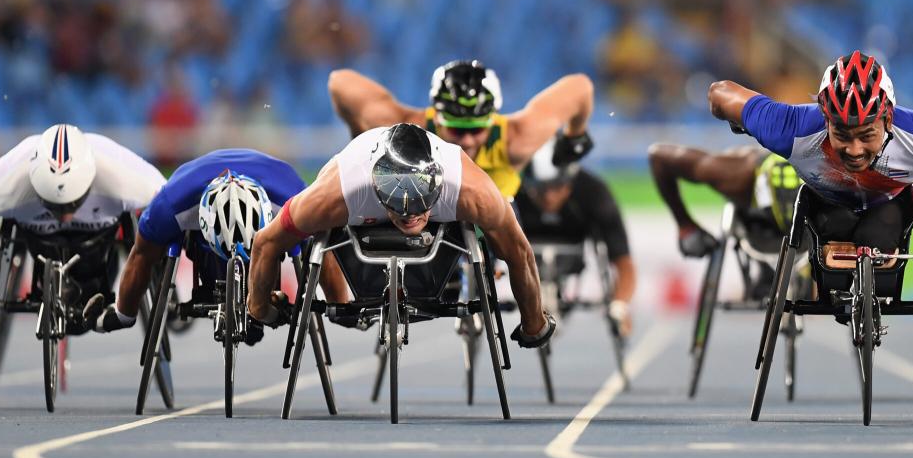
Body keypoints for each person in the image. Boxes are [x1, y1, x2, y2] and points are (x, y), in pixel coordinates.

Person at [247, 123, 556, 348]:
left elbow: (519, 253)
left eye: (420, 205)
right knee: (321, 233)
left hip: (420, 213)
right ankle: (341, 302)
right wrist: (258, 308)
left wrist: (533, 321)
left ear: (438, 187)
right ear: (377, 188)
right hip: (355, 197)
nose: (410, 214)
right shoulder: (336, 193)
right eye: (400, 204)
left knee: (502, 242)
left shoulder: (472, 191)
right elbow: (266, 241)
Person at [708, 50, 913, 254]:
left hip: (889, 207)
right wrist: (741, 119)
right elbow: (719, 92)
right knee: (833, 229)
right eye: (841, 134)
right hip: (824, 208)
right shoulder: (790, 128)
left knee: (877, 238)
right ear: (826, 119)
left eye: (867, 135)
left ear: (888, 119)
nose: (854, 150)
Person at [0, 124, 165, 329]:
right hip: (39, 244)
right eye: (54, 206)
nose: (65, 217)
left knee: (149, 231)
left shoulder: (123, 177)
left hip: (101, 248)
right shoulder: (10, 181)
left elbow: (173, 201)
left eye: (74, 203)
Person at [83, 148, 308, 341]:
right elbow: (141, 255)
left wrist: (339, 304)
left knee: (310, 233)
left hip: (272, 208)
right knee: (152, 246)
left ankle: (260, 295)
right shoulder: (170, 205)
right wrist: (124, 314)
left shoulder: (294, 196)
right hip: (197, 220)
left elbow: (322, 245)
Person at [327, 60, 594, 200]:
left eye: (477, 130)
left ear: (492, 119)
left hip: (494, 223)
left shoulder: (516, 139)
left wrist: (575, 135)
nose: (467, 140)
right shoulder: (410, 126)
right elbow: (339, 82)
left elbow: (581, 87)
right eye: (456, 130)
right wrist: (359, 133)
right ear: (438, 119)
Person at [514, 139, 637, 336]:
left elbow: (623, 261)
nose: (549, 197)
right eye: (540, 188)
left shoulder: (595, 192)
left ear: (570, 180)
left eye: (556, 187)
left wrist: (620, 305)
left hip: (573, 253)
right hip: (525, 251)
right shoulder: (514, 189)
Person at [648, 141, 801, 297]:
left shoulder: (740, 177)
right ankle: (767, 272)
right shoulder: (739, 175)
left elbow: (658, 155)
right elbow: (658, 156)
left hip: (811, 232)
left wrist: (685, 224)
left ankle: (781, 274)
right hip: (756, 220)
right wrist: (685, 224)